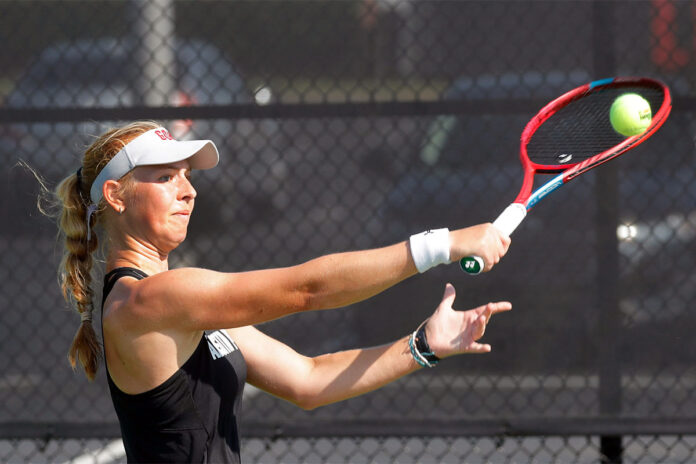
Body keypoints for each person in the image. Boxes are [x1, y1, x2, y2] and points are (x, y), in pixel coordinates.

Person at [52, 120, 511, 463]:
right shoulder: (146, 301)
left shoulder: (181, 306)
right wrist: (442, 244)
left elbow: (307, 380)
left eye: (188, 176)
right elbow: (307, 290)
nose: (189, 192)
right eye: (166, 177)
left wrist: (423, 345)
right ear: (115, 195)